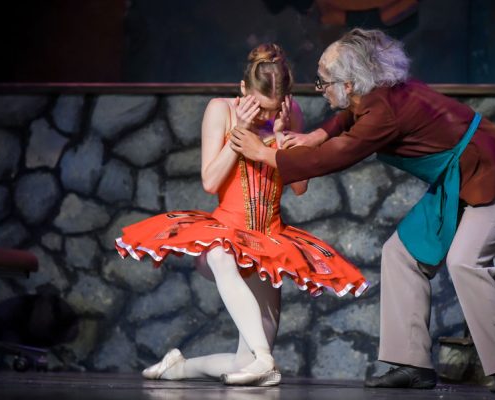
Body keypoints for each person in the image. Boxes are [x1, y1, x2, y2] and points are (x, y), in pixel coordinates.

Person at [230, 29, 495, 393]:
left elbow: (334, 157)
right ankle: (411, 364)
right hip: (460, 183)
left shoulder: (383, 111)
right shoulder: (377, 93)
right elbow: (349, 117)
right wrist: (316, 135)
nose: (321, 89)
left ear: (349, 84)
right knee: (400, 254)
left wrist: (264, 153)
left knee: (465, 261)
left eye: (324, 82)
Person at [115, 43, 368, 387]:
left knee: (243, 364)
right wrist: (242, 131)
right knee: (220, 256)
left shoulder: (290, 113)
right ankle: (265, 358)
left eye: (273, 108)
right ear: (243, 89)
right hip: (226, 233)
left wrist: (280, 136)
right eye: (260, 106)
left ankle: (178, 368)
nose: (266, 114)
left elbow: (300, 187)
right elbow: (210, 181)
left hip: (269, 243)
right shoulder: (221, 110)